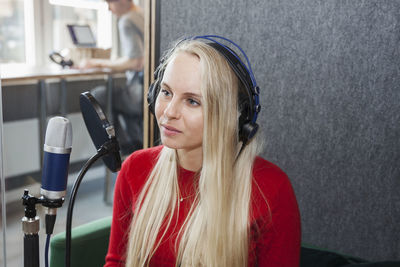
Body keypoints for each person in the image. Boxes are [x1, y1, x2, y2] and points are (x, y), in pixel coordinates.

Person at [104, 36, 301, 267]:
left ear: (229, 115)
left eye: (192, 101)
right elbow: (117, 262)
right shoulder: (135, 169)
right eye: (166, 92)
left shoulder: (271, 189)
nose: (169, 112)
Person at [79, 0, 144, 154]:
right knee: (116, 97)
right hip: (147, 90)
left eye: (110, 3)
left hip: (137, 96)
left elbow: (135, 62)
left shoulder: (126, 20)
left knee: (99, 95)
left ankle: (119, 145)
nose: (108, 9)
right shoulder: (141, 14)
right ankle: (133, 143)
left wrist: (96, 63)